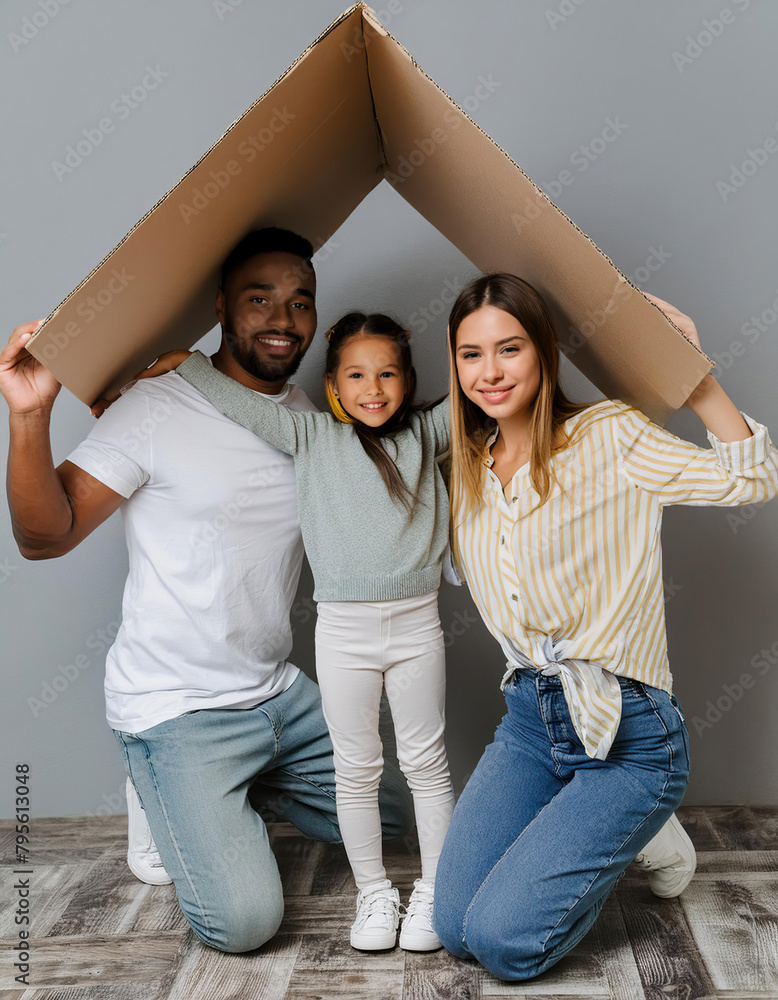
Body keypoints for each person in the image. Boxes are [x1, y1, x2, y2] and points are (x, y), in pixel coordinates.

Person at [0, 228, 413, 953]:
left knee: (388, 821)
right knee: (245, 925)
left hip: (278, 695)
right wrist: (30, 414)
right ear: (222, 305)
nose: (283, 320)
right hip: (177, 707)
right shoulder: (156, 407)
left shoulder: (313, 424)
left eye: (300, 302)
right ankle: (166, 789)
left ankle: (216, 798)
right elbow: (44, 536)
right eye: (260, 299)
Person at [432, 272, 778, 980]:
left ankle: (641, 821)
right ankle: (627, 832)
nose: (490, 372)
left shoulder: (608, 436)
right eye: (471, 354)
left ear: (543, 353)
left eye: (510, 349)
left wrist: (695, 375)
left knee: (502, 945)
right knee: (452, 928)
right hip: (532, 722)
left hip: (631, 733)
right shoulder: (464, 470)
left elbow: (753, 479)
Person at [133, 309, 457, 952]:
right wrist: (187, 363)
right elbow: (235, 401)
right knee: (356, 769)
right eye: (357, 375)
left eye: (388, 373)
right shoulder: (308, 435)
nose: (374, 388)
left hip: (418, 627)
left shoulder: (427, 433)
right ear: (333, 385)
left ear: (409, 377)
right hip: (343, 634)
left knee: (426, 763)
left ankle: (435, 891)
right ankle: (374, 895)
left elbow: (476, 381)